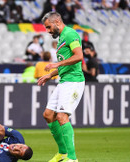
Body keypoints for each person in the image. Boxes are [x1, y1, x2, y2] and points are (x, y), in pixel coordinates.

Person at [38, 11, 85, 162]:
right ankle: (63, 153)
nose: (48, 31)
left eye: (48, 27)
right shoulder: (61, 38)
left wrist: (57, 64)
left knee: (61, 116)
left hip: (74, 81)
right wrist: (50, 75)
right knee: (48, 114)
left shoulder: (70, 34)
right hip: (64, 80)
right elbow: (66, 63)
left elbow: (79, 56)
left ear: (57, 21)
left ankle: (72, 158)